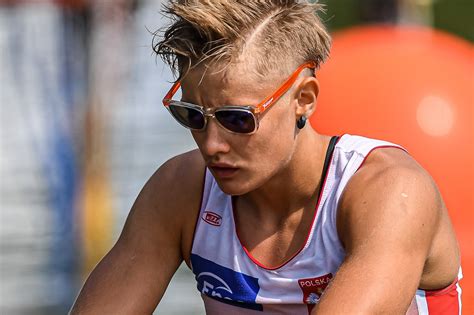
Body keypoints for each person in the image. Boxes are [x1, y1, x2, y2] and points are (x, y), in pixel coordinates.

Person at [70, 1, 462, 314]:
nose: (211, 145)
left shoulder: (390, 192)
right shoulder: (179, 190)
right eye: (192, 116)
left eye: (236, 119)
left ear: (304, 100)